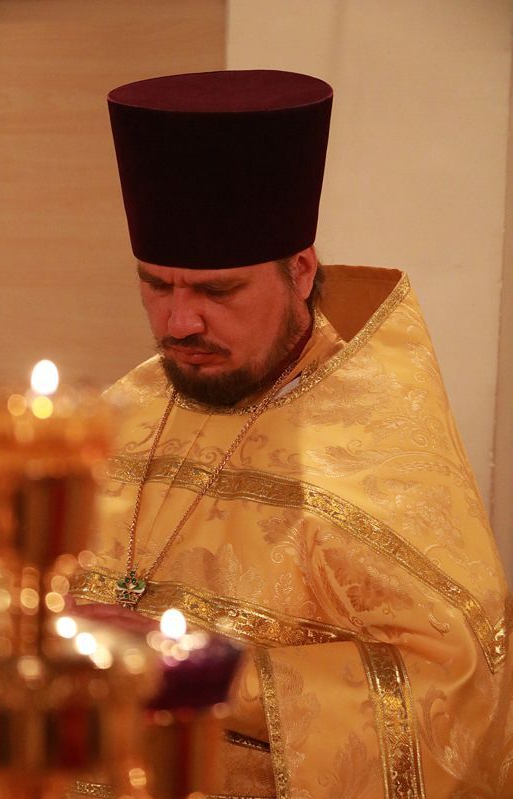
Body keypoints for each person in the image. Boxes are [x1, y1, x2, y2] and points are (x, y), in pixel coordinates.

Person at [66, 70, 512, 798]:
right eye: (155, 283)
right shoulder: (124, 410)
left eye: (218, 290)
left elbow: (458, 685)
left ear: (300, 271)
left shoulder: (383, 450)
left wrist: (205, 670)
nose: (179, 323)